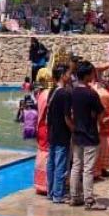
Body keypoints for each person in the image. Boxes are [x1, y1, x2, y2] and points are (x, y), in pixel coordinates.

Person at [66, 60, 104, 209]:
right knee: (88, 169)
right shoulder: (91, 94)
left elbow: (68, 114)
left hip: (77, 135)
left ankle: (74, 196)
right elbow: (101, 114)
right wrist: (95, 119)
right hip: (90, 135)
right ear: (87, 75)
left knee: (76, 166)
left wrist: (74, 127)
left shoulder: (72, 92)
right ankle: (89, 200)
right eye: (92, 72)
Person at [44, 64, 73, 204]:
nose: (70, 76)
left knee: (51, 164)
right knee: (60, 165)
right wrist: (74, 129)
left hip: (52, 132)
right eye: (68, 73)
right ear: (62, 75)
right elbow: (67, 117)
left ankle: (50, 192)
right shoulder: (65, 93)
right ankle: (58, 195)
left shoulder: (52, 91)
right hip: (62, 134)